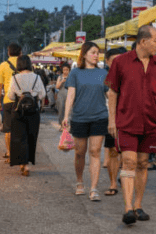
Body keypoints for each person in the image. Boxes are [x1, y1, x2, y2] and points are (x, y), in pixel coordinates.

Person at [105, 25, 156, 225]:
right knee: (129, 162)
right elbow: (113, 93)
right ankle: (127, 208)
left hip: (151, 122)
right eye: (155, 40)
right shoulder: (121, 62)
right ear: (143, 41)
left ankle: (138, 205)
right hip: (126, 121)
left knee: (143, 163)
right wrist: (112, 120)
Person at [62, 42, 109, 202]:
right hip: (79, 118)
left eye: (98, 53)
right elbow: (70, 95)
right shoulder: (75, 73)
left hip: (100, 117)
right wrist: (65, 116)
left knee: (95, 152)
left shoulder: (103, 73)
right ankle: (80, 182)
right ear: (84, 54)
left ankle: (94, 188)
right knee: (79, 152)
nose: (96, 55)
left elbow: (110, 96)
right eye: (93, 52)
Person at [7, 55, 46, 176]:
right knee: (31, 137)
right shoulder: (37, 77)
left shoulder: (15, 78)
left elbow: (10, 96)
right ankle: (27, 165)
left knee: (19, 137)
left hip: (18, 111)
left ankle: (21, 164)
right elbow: (42, 94)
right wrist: (33, 96)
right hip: (33, 111)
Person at [102, 47, 127, 196]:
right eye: (114, 61)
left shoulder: (132, 75)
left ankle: (125, 178)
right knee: (112, 151)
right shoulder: (106, 78)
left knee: (128, 152)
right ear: (107, 62)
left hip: (129, 117)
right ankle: (113, 183)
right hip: (111, 118)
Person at [0, 43, 22, 162]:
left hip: (8, 101)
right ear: (20, 52)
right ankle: (20, 153)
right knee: (21, 128)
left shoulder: (3, 65)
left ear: (8, 53)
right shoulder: (25, 64)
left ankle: (10, 153)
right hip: (23, 101)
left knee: (8, 129)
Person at [55, 63, 71, 129]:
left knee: (70, 111)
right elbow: (57, 87)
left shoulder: (71, 77)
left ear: (69, 70)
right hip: (61, 96)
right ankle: (62, 125)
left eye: (67, 70)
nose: (65, 71)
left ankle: (68, 125)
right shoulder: (60, 77)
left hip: (69, 95)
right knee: (61, 110)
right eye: (64, 70)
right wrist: (62, 81)